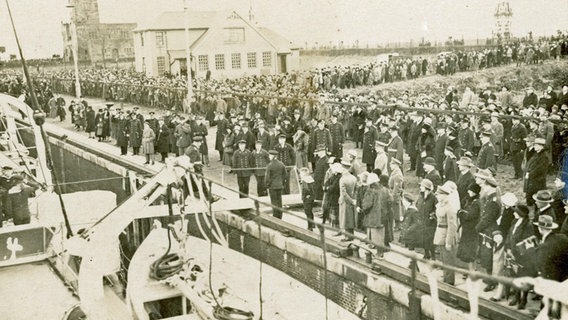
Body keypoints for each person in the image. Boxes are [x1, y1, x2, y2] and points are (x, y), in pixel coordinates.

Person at [504, 205, 536, 309]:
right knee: (515, 275)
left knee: (524, 276)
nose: (513, 213)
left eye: (516, 212)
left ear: (521, 214)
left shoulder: (528, 226)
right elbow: (509, 235)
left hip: (523, 256)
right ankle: (517, 296)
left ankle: (524, 299)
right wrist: (508, 248)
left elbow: (527, 242)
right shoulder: (514, 222)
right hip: (512, 254)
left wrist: (517, 253)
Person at [475, 173, 501, 292]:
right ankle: (489, 278)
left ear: (490, 187)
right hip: (487, 230)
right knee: (486, 255)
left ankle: (491, 282)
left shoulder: (493, 201)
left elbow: (487, 218)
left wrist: (478, 228)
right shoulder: (491, 198)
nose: (483, 189)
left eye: (485, 187)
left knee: (488, 256)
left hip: (489, 231)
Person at [433, 183, 459, 285]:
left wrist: (448, 242)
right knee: (444, 259)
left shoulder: (450, 208)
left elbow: (452, 226)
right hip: (440, 234)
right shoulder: (440, 205)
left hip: (447, 236)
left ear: (445, 195)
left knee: (448, 261)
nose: (437, 196)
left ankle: (449, 282)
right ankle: (446, 278)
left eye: (439, 195)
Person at [361, 173, 391, 257]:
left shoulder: (370, 191)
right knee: (381, 234)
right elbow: (390, 200)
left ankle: (379, 253)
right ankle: (380, 252)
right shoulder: (385, 189)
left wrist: (363, 209)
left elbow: (367, 204)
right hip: (383, 216)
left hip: (373, 217)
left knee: (375, 235)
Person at [533, 215, 568, 282]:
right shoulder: (562, 237)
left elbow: (540, 264)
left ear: (540, 228)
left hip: (552, 280)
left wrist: (530, 249)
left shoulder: (545, 246)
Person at [456, 183, 481, 271]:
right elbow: (463, 211)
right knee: (468, 253)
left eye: (470, 190)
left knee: (471, 253)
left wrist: (461, 213)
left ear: (474, 192)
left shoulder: (476, 203)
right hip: (468, 230)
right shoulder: (470, 200)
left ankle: (472, 271)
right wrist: (462, 212)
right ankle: (470, 271)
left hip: (472, 231)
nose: (468, 192)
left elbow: (468, 215)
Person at [523, 137, 549, 207]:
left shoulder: (544, 156)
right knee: (530, 200)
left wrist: (529, 174)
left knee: (537, 202)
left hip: (538, 182)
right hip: (532, 181)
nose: (534, 146)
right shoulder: (536, 154)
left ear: (541, 146)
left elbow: (539, 170)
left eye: (536, 145)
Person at [416, 178, 437, 260]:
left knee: (430, 240)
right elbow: (417, 204)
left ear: (426, 187)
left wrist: (432, 215)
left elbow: (436, 209)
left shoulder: (433, 197)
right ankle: (426, 254)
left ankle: (433, 256)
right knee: (423, 238)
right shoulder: (420, 196)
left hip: (430, 222)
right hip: (422, 221)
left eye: (421, 186)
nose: (420, 187)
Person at [338, 160, 358, 241]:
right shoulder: (354, 178)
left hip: (345, 201)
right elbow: (356, 190)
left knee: (345, 219)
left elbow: (344, 193)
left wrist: (350, 200)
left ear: (343, 169)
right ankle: (351, 234)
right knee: (351, 218)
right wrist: (354, 199)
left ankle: (348, 236)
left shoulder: (342, 179)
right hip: (352, 199)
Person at [266, 150, 286, 219]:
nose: (269, 157)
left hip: (272, 187)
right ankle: (280, 216)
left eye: (270, 155)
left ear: (273, 156)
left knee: (274, 202)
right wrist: (282, 183)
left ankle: (275, 217)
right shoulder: (281, 164)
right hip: (280, 185)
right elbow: (285, 175)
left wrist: (267, 185)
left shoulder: (270, 165)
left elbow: (267, 177)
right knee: (279, 202)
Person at [388, 158, 404, 230]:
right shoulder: (395, 172)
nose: (390, 166)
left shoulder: (397, 174)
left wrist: (393, 197)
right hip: (392, 192)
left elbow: (397, 188)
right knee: (395, 210)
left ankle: (398, 225)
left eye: (391, 164)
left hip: (395, 194)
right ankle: (397, 225)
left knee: (397, 210)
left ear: (396, 165)